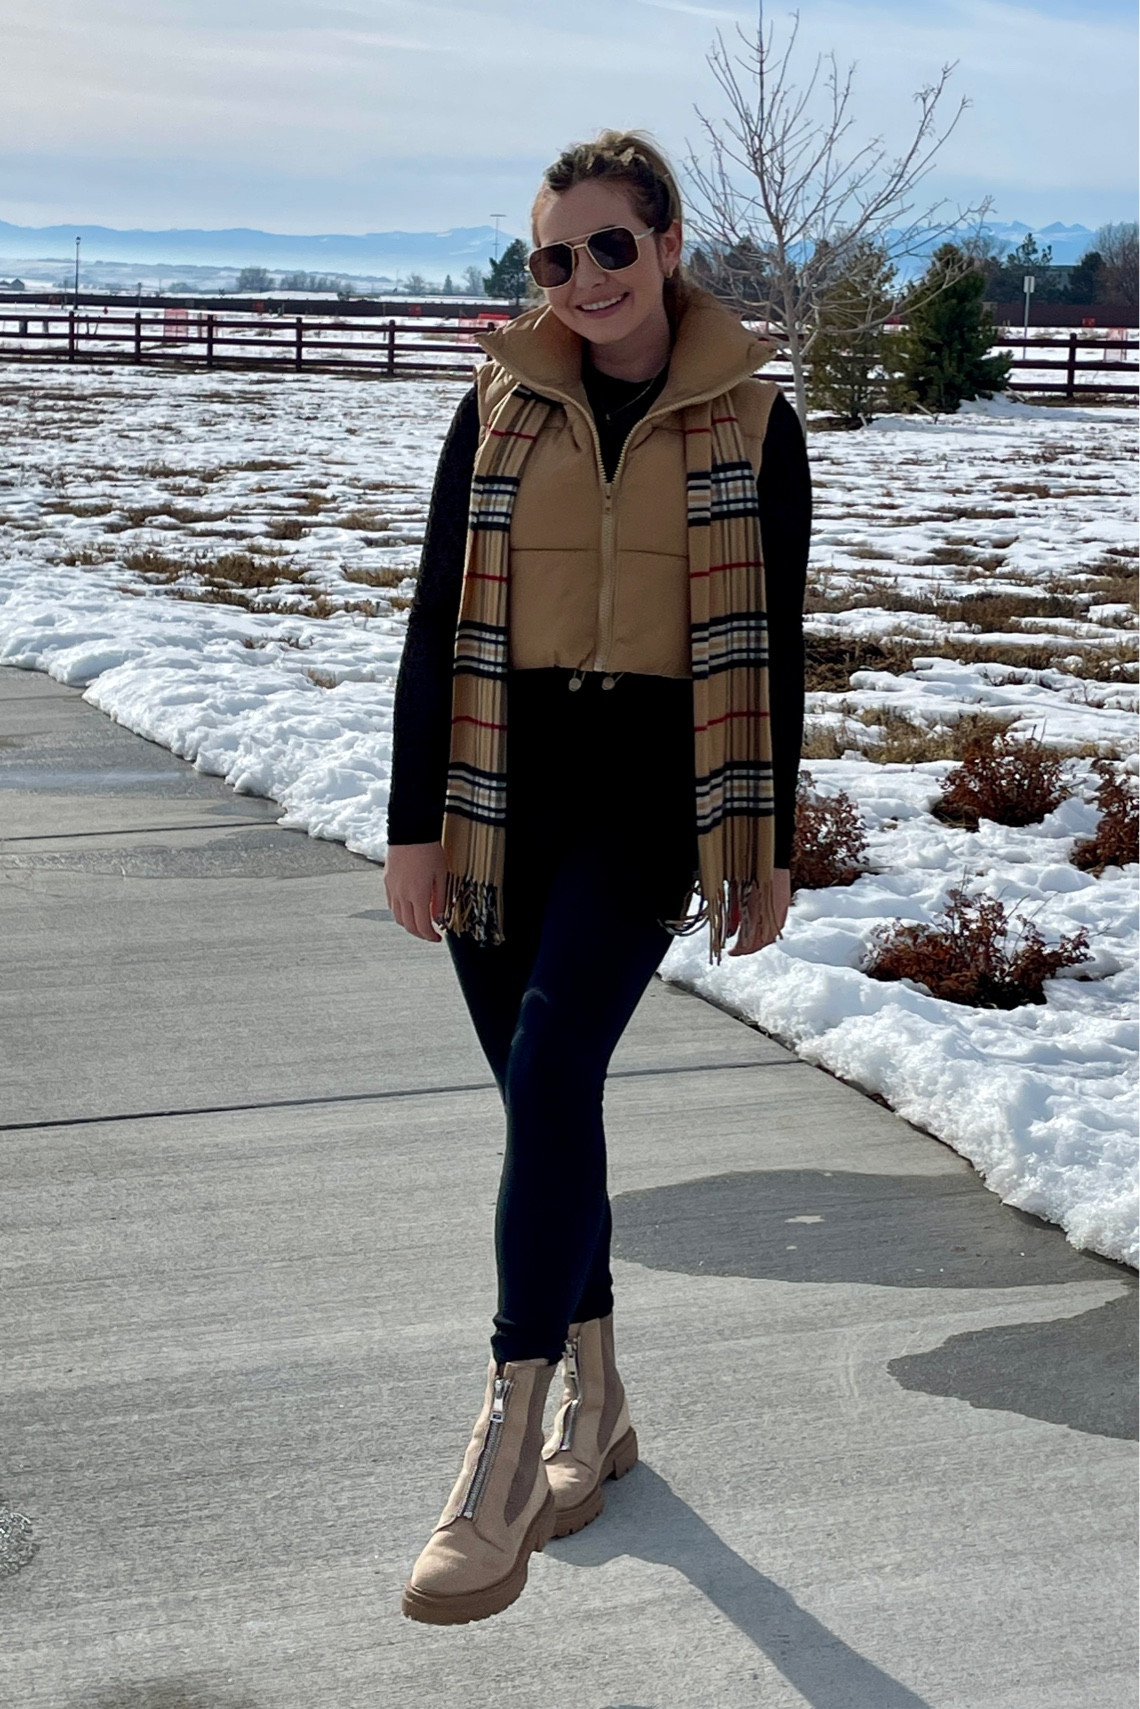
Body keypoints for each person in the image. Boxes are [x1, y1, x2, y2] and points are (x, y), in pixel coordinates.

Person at [385, 129, 811, 1626]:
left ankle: (507, 1443)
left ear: (671, 244)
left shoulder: (755, 422)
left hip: (648, 803)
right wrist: (413, 819)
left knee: (559, 1055)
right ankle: (605, 1405)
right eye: (551, 257)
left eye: (608, 249)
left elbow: (775, 642)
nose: (579, 281)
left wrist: (763, 838)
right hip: (501, 797)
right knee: (543, 1096)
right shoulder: (496, 403)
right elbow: (438, 618)